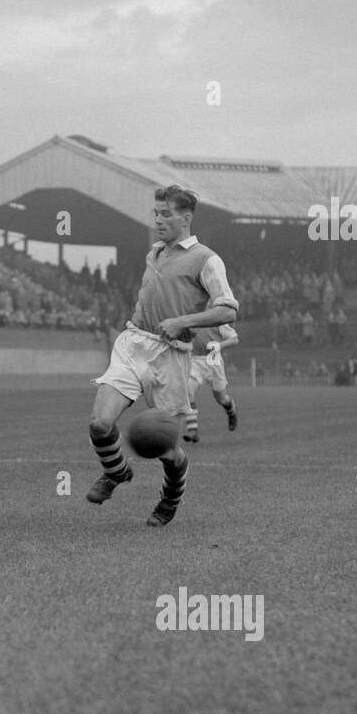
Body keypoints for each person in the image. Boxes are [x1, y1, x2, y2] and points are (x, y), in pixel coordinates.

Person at [85, 185, 238, 527]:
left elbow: (228, 311)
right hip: (133, 342)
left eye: (166, 214)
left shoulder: (206, 259)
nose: (158, 220)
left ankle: (171, 497)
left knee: (165, 449)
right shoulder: (155, 252)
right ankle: (116, 472)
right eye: (155, 213)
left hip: (172, 357)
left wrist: (183, 321)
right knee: (99, 424)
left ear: (186, 218)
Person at [184, 324, 239, 443]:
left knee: (221, 398)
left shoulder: (217, 319)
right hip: (194, 360)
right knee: (188, 391)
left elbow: (234, 339)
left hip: (213, 360)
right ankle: (193, 431)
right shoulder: (191, 318)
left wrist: (220, 345)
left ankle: (231, 412)